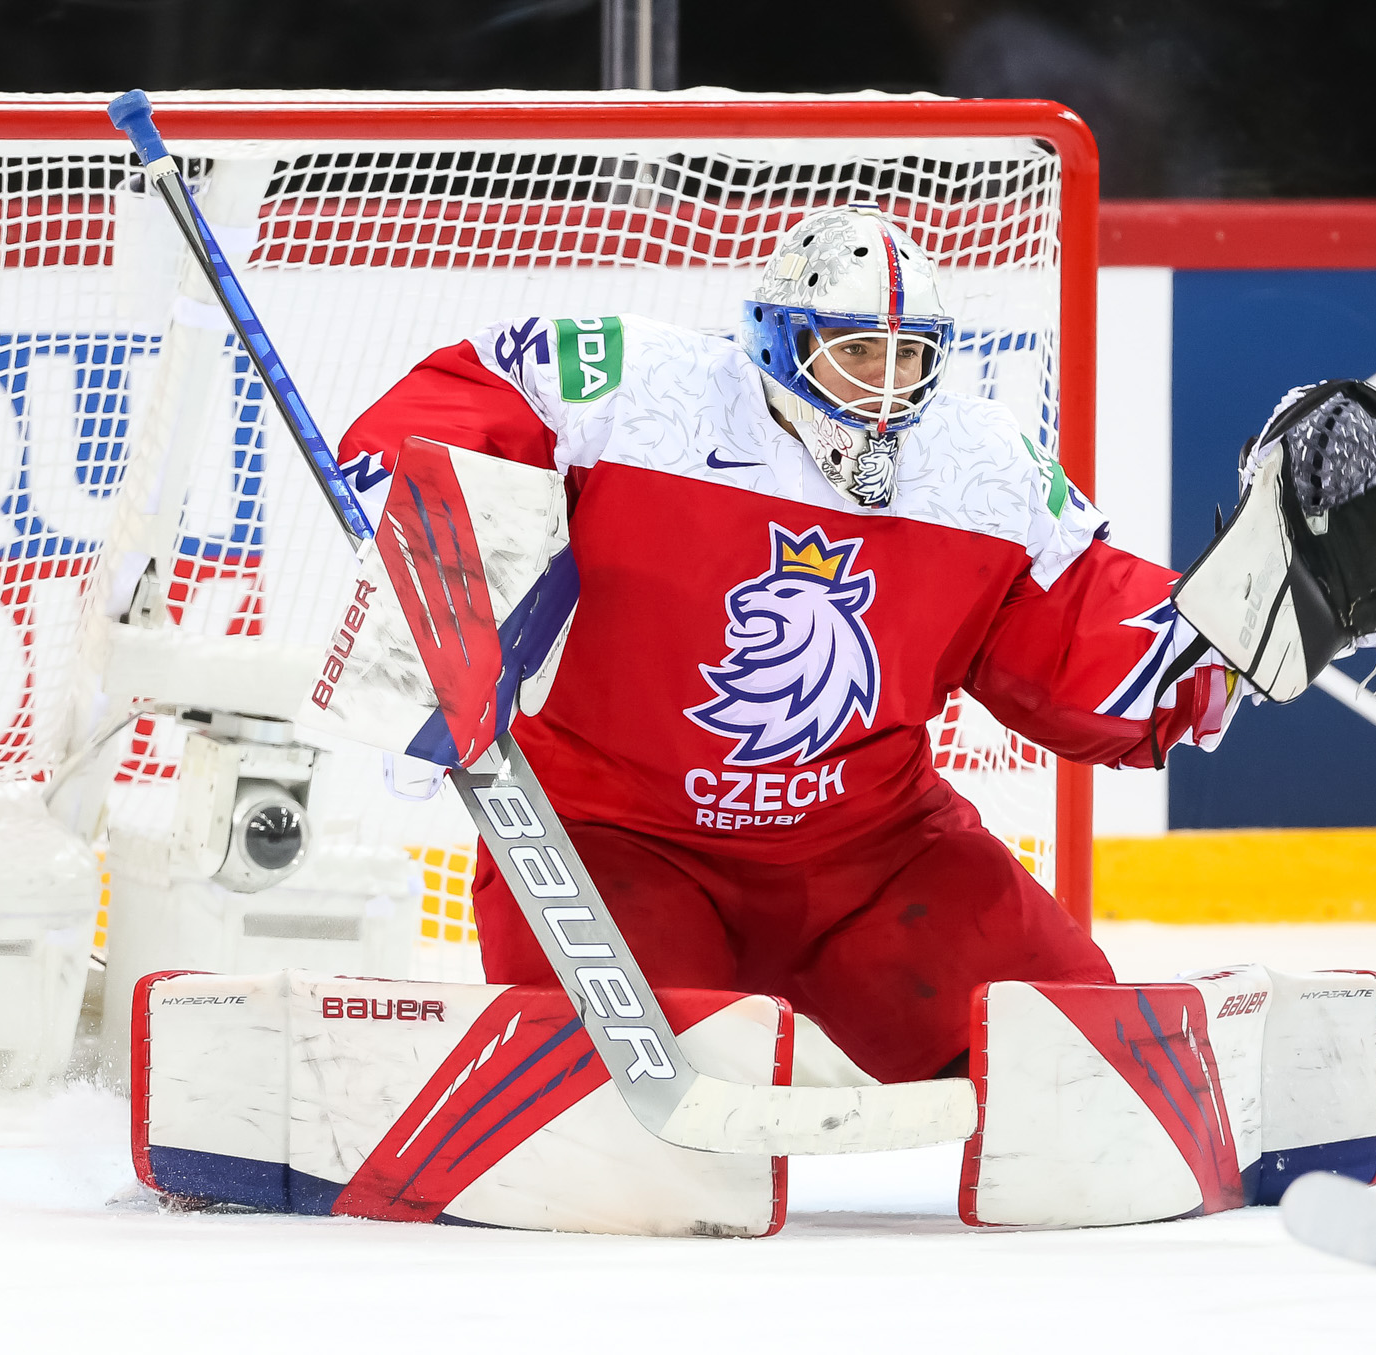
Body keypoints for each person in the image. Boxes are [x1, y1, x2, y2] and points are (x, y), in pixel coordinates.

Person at [338, 205, 1241, 1085]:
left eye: (909, 357)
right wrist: (432, 562)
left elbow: (1080, 632)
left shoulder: (983, 468)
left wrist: (1243, 630)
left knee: (1085, 1069)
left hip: (874, 855)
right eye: (855, 351)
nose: (885, 386)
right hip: (610, 841)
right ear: (780, 340)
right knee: (642, 1110)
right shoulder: (636, 391)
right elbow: (460, 405)